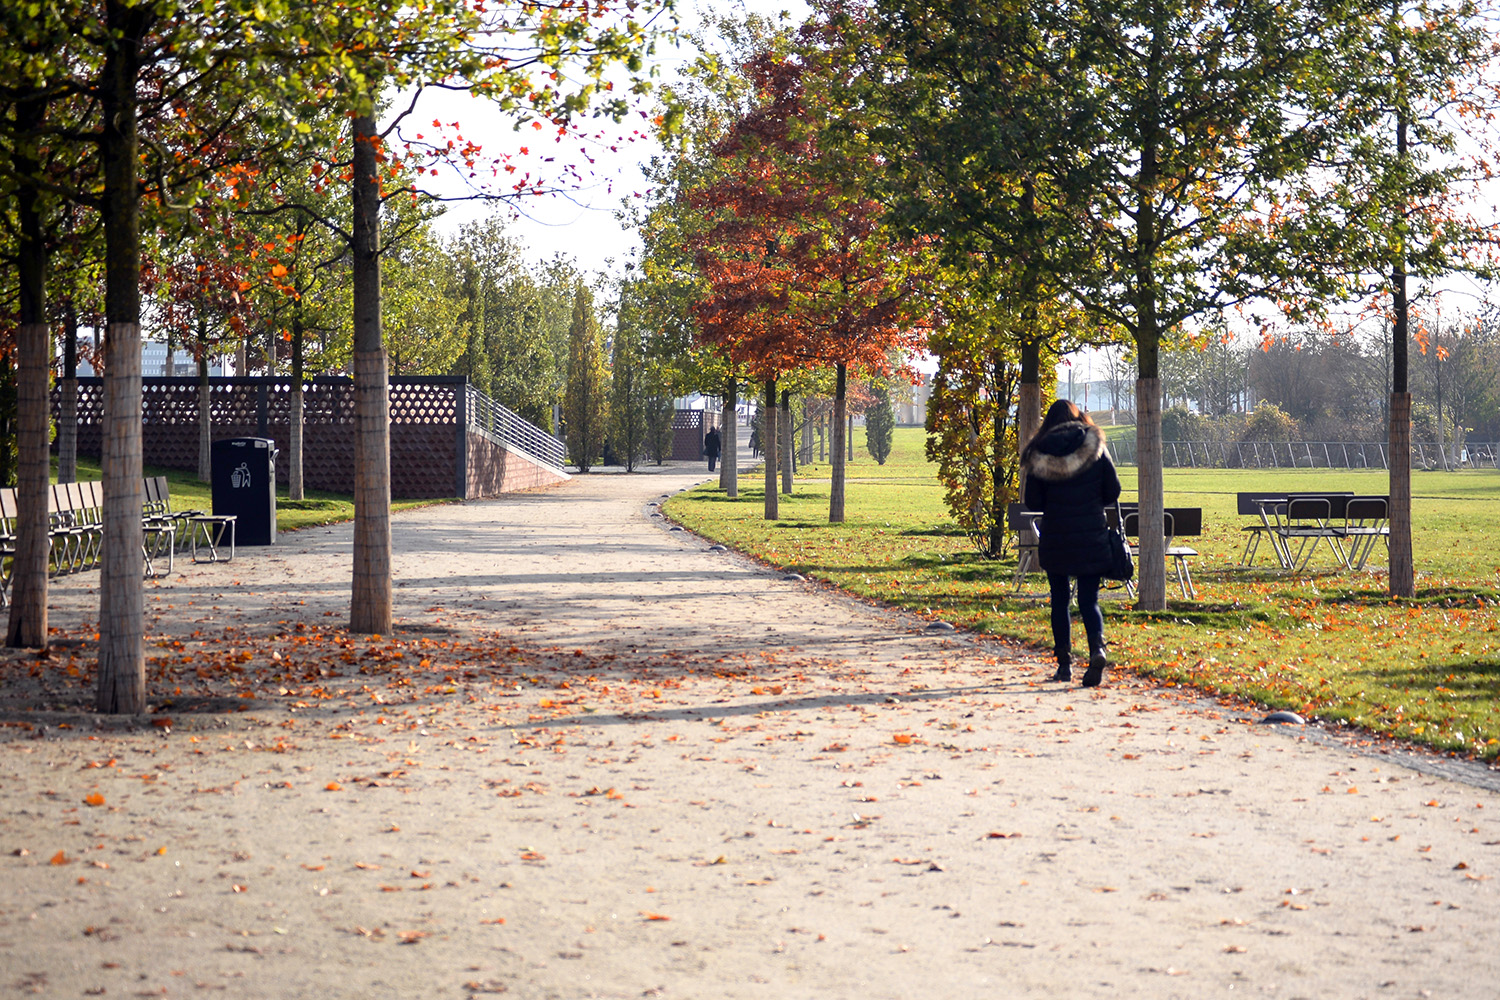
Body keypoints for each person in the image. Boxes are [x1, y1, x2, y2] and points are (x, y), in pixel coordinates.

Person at [1022, 399, 1122, 687]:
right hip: (1091, 533)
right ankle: (1097, 649)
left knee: (1060, 600)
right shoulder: (1095, 446)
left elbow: (1033, 501)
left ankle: (1064, 665)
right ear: (1078, 417)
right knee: (1089, 600)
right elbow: (1112, 491)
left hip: (1057, 535)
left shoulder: (1039, 452)